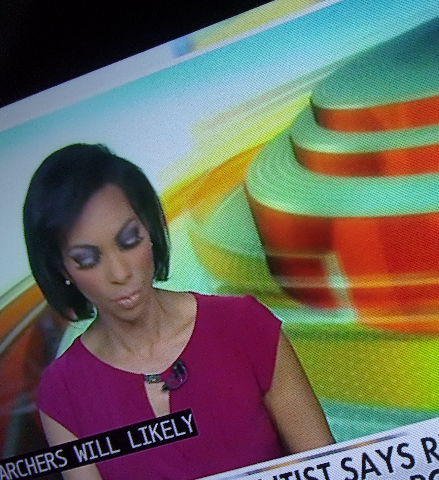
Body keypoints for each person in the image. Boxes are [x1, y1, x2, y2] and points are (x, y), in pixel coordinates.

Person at [23, 144, 334, 479]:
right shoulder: (63, 392)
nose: (120, 273)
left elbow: (329, 469)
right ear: (62, 269)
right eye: (88, 259)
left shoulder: (245, 326)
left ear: (150, 229)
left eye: (129, 240)